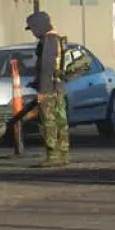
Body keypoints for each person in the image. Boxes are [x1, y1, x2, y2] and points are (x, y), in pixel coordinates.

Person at [26, 11, 70, 167]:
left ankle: (53, 154)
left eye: (32, 29)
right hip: (58, 86)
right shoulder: (58, 39)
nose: (32, 33)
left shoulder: (47, 41)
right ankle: (63, 153)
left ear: (39, 26)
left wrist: (42, 92)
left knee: (48, 121)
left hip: (49, 88)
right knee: (61, 120)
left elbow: (46, 67)